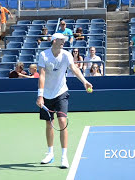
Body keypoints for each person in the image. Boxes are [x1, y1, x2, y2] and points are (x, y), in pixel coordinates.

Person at [36, 33, 93, 169]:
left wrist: (84, 82)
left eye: (64, 41)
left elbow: (74, 69)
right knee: (49, 124)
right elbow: (42, 76)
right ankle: (50, 153)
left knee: (62, 122)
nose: (63, 42)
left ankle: (64, 157)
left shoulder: (66, 55)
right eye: (61, 40)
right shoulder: (44, 55)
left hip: (61, 92)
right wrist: (40, 95)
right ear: (54, 41)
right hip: (47, 95)